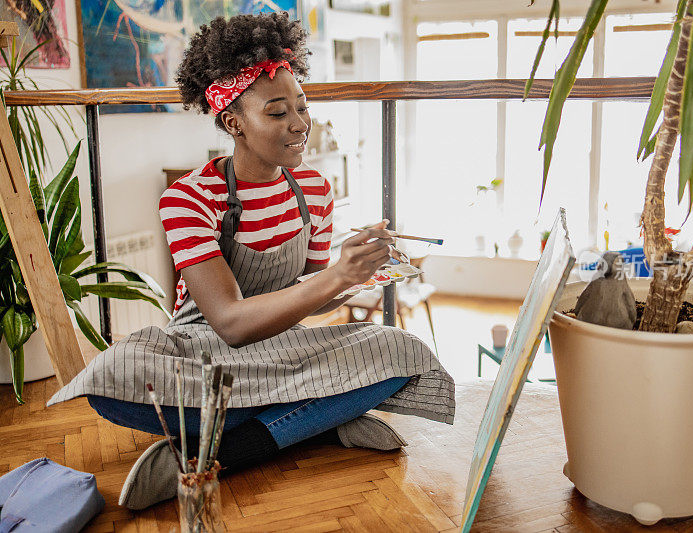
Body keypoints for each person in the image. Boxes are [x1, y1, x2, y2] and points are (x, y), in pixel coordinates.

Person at [47, 12, 455, 510]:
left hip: (283, 348)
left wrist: (358, 273)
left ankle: (228, 449)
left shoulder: (316, 192)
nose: (300, 124)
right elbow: (230, 324)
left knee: (398, 347)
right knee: (113, 375)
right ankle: (316, 417)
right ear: (233, 123)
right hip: (205, 349)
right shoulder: (189, 199)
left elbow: (312, 303)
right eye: (278, 112)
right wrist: (337, 276)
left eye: (302, 108)